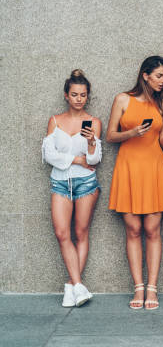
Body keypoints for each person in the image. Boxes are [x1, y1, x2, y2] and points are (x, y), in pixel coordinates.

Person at [107, 56, 163, 310]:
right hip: (128, 166)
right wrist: (132, 132)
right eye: (159, 76)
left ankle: (152, 287)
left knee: (153, 230)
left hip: (154, 168)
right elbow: (110, 135)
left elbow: (162, 142)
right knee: (133, 230)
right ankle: (138, 287)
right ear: (145, 75)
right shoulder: (122, 99)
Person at [42, 69, 101, 307]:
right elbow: (48, 155)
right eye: (75, 94)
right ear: (66, 95)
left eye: (83, 95)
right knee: (62, 233)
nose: (79, 98)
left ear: (87, 96)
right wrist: (76, 159)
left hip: (86, 183)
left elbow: (95, 160)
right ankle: (78, 285)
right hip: (60, 182)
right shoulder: (55, 121)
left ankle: (70, 287)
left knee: (81, 233)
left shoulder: (94, 122)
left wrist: (90, 142)